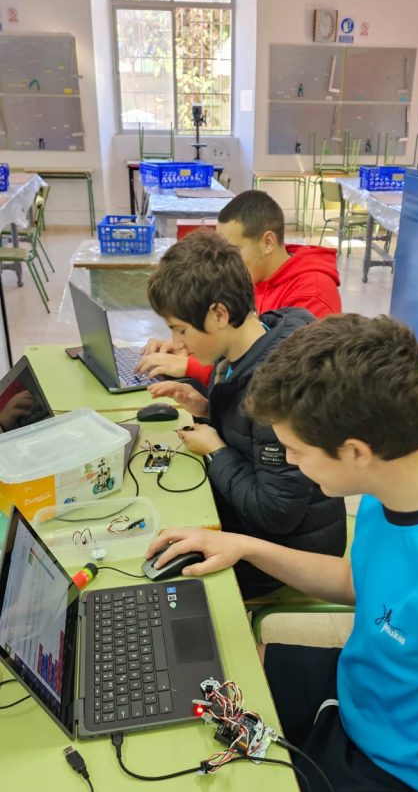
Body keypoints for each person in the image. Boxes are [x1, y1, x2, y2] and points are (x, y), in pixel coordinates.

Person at [128, 314, 418, 792]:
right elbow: (360, 582)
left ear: (355, 451)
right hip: (365, 703)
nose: (286, 460)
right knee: (199, 682)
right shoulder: (401, 484)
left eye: (295, 450)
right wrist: (243, 545)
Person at [144, 229, 346, 597]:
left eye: (180, 329)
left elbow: (275, 513)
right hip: (259, 522)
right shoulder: (247, 345)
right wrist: (207, 409)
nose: (177, 345)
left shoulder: (279, 389)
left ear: (219, 314)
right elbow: (250, 436)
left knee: (163, 581)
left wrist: (215, 450)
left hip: (289, 552)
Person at [134, 189, 341, 389]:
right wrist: (188, 346)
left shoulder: (312, 292)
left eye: (232, 249)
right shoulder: (254, 274)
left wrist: (190, 366)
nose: (222, 258)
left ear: (268, 242)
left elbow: (282, 381)